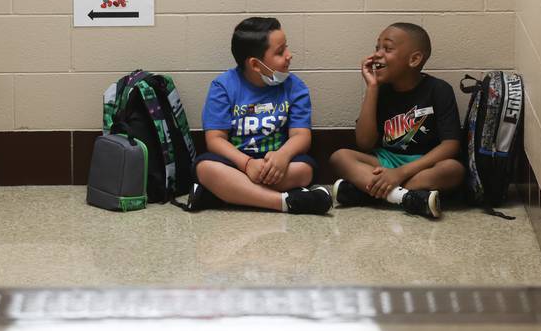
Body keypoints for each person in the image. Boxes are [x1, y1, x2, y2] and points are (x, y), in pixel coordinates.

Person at [181, 17, 332, 214]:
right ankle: (287, 201)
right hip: (236, 163)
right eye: (280, 52)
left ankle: (226, 194)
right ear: (255, 64)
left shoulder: (295, 87)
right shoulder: (223, 86)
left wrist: (283, 156)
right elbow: (215, 139)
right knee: (205, 167)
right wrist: (247, 164)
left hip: (278, 164)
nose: (289, 55)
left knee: (305, 170)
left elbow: (301, 136)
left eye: (286, 47)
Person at [329, 22, 465, 219]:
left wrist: (401, 173)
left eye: (387, 48)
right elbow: (364, 143)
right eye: (377, 48)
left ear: (414, 59)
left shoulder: (439, 89)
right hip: (386, 161)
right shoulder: (380, 91)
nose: (377, 54)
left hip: (423, 164)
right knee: (340, 157)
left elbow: (450, 145)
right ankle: (406, 197)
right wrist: (372, 88)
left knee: (453, 170)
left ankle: (368, 192)